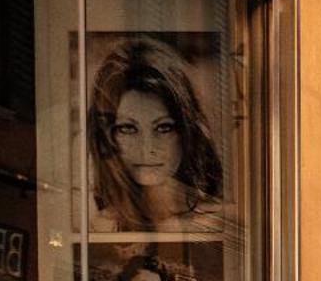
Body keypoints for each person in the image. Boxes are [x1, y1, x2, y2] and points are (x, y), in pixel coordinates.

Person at [88, 36, 227, 233]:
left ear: (186, 130)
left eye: (163, 128)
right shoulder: (98, 227)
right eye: (128, 128)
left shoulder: (218, 223)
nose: (147, 149)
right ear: (107, 136)